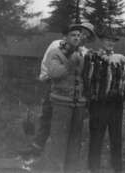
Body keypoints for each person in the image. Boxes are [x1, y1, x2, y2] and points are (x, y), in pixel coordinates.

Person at [19, 22, 95, 160]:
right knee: (47, 115)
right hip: (52, 83)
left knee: (64, 123)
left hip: (71, 90)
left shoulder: (83, 51)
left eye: (86, 36)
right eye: (81, 33)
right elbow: (48, 64)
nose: (82, 37)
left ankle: (59, 152)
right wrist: (47, 78)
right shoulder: (57, 45)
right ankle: (38, 147)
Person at [39, 23, 88, 172]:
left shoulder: (82, 54)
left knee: (75, 140)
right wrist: (71, 64)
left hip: (78, 103)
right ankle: (54, 169)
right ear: (65, 37)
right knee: (59, 140)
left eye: (79, 36)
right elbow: (54, 73)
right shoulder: (55, 52)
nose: (76, 38)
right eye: (73, 35)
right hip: (61, 102)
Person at [88, 31, 125, 173]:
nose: (110, 43)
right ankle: (93, 167)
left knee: (116, 137)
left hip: (116, 103)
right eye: (107, 40)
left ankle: (117, 168)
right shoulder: (94, 55)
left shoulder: (119, 57)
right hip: (99, 102)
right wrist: (104, 58)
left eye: (112, 41)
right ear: (101, 41)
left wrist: (124, 59)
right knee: (97, 136)